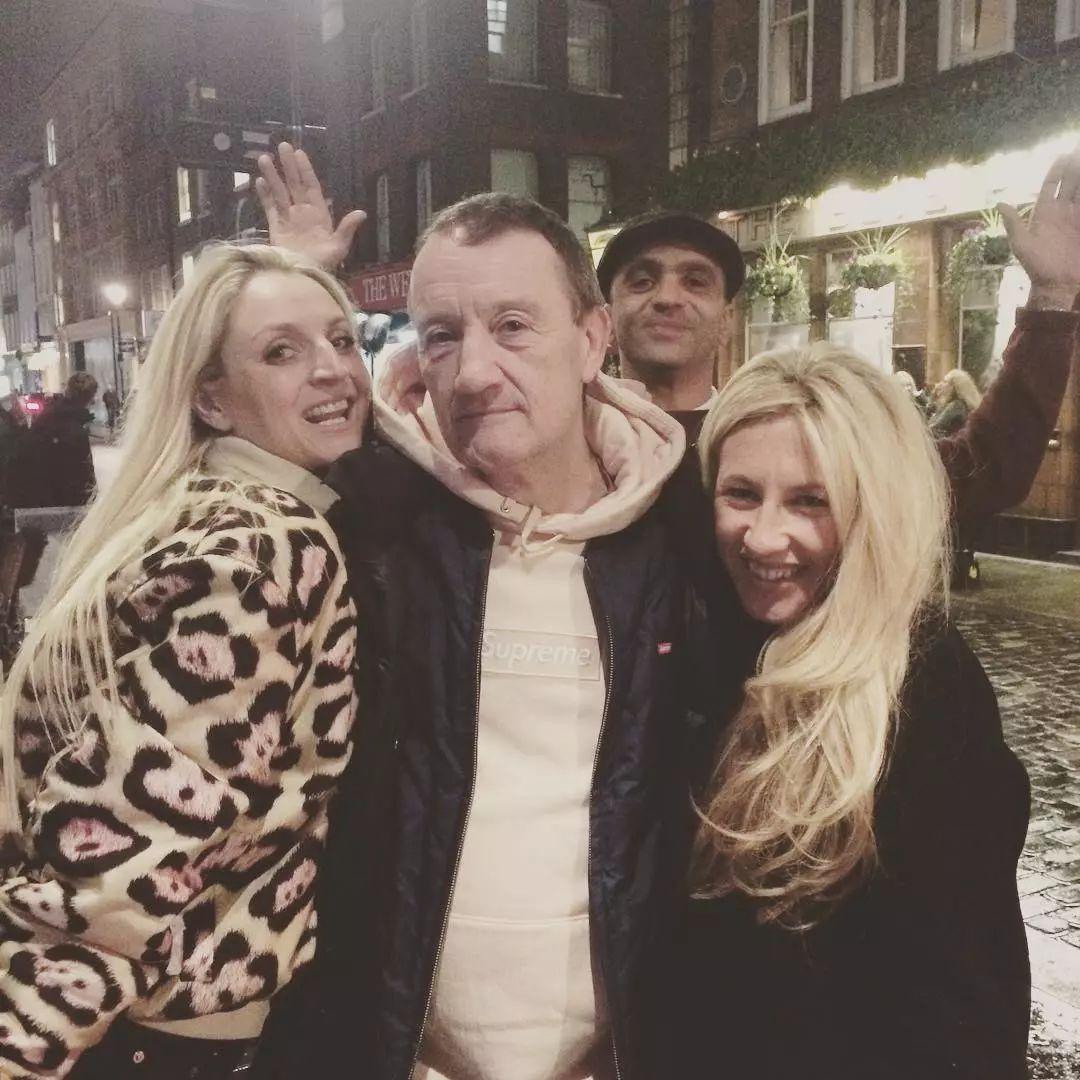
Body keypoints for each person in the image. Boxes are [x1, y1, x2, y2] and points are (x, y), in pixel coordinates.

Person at [253, 164, 692, 1077]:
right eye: (443, 336)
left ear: (592, 339)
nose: (476, 372)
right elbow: (226, 472)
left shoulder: (683, 534)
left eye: (514, 326)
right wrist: (294, 287)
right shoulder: (369, 525)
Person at [0, 244, 366, 1080]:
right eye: (282, 352)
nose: (333, 369)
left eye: (342, 340)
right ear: (210, 398)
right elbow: (123, 853)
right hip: (147, 1022)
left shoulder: (189, 508)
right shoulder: (265, 548)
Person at [663, 344, 1030, 1079]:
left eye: (811, 501)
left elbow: (964, 1011)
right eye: (741, 494)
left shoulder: (926, 692)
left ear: (874, 509)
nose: (764, 536)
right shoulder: (706, 644)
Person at [8, 373, 98, 509]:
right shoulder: (75, 429)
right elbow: (84, 476)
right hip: (66, 505)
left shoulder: (47, 416)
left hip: (40, 500)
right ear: (88, 398)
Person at [930, 366, 983, 436]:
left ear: (954, 386)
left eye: (945, 382)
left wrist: (932, 399)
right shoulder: (962, 405)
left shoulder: (957, 406)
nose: (941, 384)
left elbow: (934, 427)